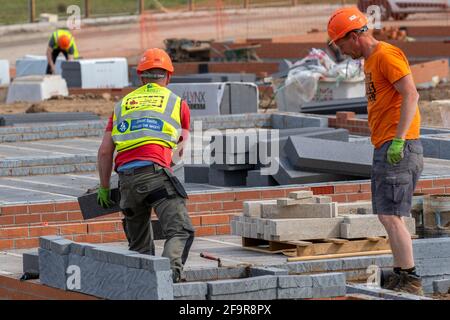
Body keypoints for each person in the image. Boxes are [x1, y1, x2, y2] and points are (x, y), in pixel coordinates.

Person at [327, 7, 423, 295]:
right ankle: (401, 273)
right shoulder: (369, 61)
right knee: (386, 214)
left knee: (392, 215)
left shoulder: (385, 55)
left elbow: (411, 94)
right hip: (386, 144)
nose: (341, 50)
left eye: (341, 44)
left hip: (398, 146)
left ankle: (410, 278)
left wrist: (398, 139)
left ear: (354, 36)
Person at [96, 48, 194, 283]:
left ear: (140, 77)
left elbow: (104, 151)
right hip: (156, 175)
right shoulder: (177, 103)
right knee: (180, 230)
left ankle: (143, 290)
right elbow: (178, 152)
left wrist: (104, 187)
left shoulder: (121, 105)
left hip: (127, 182)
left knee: (140, 248)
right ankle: (167, 281)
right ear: (168, 76)